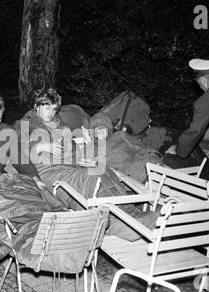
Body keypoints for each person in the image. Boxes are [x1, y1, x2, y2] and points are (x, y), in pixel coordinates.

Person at [14, 88, 159, 241]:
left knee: (105, 171)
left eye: (54, 109)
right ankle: (115, 224)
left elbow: (71, 151)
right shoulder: (26, 124)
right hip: (47, 173)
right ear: (37, 106)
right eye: (47, 107)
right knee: (91, 178)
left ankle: (131, 214)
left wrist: (80, 160)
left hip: (68, 167)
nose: (50, 112)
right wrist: (41, 147)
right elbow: (18, 150)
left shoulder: (61, 126)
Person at [166, 59, 209, 158]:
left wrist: (178, 149)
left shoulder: (205, 101)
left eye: (199, 84)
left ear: (203, 80)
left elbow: (194, 133)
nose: (201, 88)